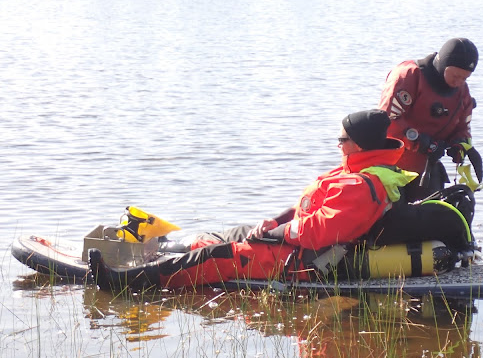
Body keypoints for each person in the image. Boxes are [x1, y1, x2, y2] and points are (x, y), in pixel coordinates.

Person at [89, 109, 418, 290]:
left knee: (217, 256)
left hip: (305, 261)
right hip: (293, 241)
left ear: (359, 145)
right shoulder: (354, 168)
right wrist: (275, 222)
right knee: (223, 235)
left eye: (342, 138)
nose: (338, 144)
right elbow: (307, 208)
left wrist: (274, 234)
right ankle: (152, 251)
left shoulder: (363, 184)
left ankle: (123, 281)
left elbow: (323, 230)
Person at [379, 37, 483, 201]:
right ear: (443, 65)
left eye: (465, 78)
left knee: (431, 217)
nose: (459, 82)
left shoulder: (462, 92)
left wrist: (460, 145)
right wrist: (419, 141)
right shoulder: (409, 75)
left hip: (427, 165)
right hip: (392, 164)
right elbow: (388, 119)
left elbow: (463, 126)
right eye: (455, 75)